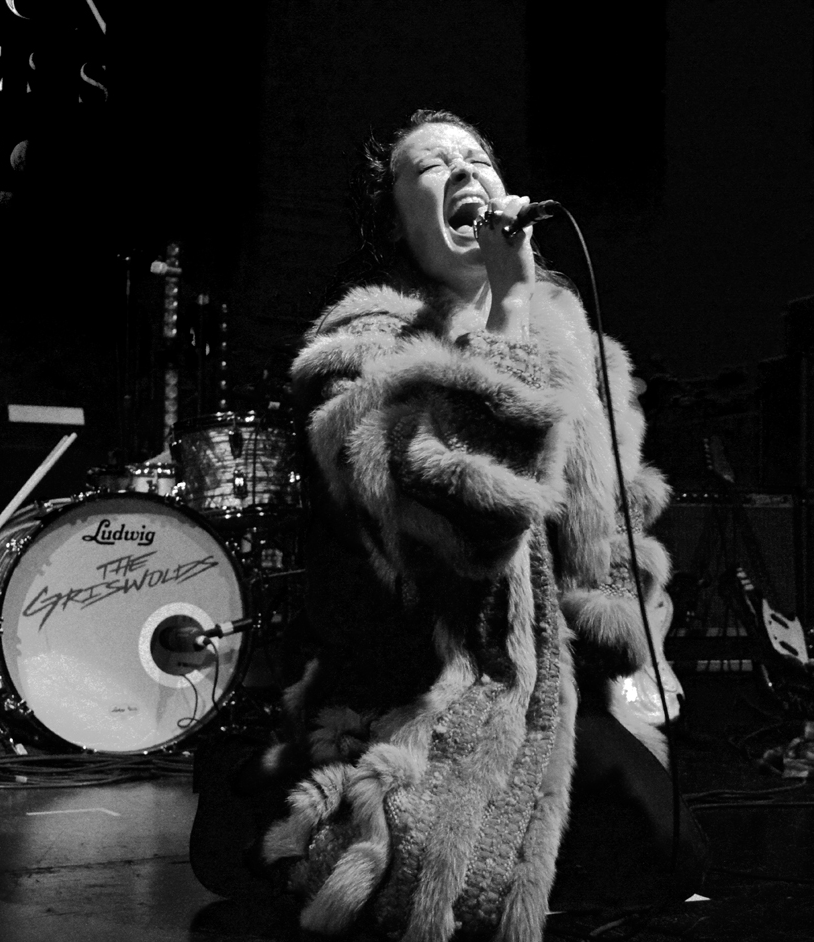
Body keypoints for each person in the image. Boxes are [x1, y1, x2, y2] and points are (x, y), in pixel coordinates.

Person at [192, 108, 706, 940]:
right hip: (413, 678)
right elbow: (463, 524)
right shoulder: (359, 348)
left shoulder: (579, 347)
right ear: (393, 222)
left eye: (477, 156)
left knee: (669, 845)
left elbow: (612, 525)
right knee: (418, 870)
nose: (465, 169)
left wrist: (622, 648)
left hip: (546, 682)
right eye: (431, 164)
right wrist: (508, 314)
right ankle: (256, 792)